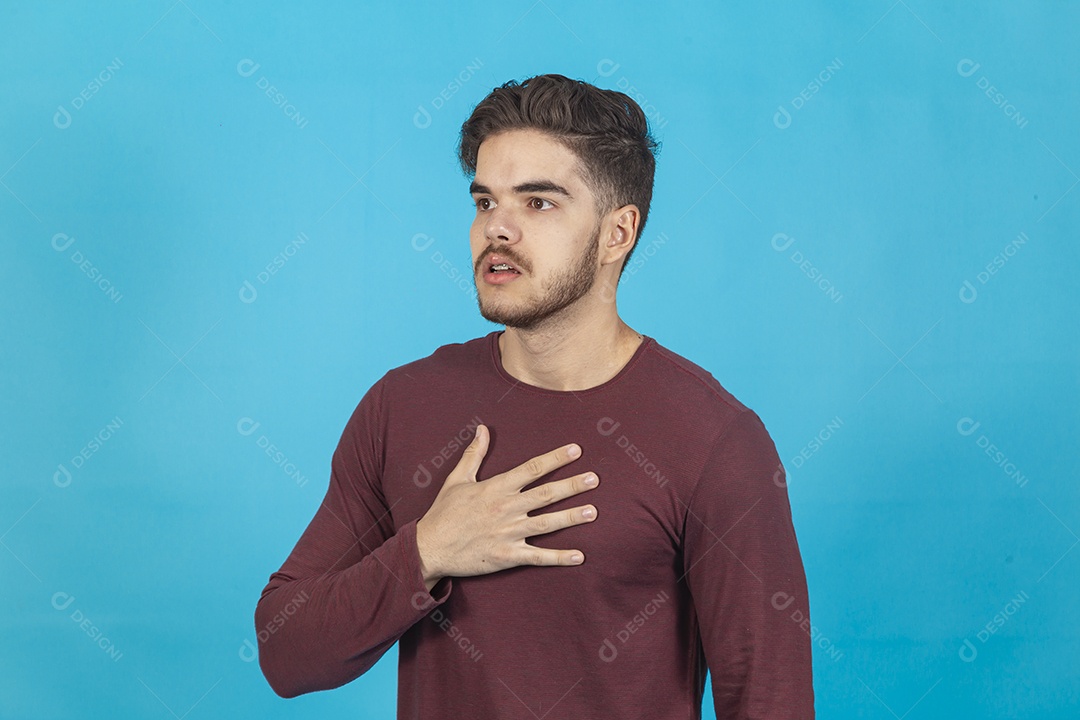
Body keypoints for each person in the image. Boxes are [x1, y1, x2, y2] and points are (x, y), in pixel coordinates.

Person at [254, 72, 814, 718]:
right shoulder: (401, 406)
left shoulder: (714, 441)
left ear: (617, 233)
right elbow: (284, 649)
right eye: (485, 202)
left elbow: (770, 702)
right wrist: (426, 552)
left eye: (537, 203)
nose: (498, 229)